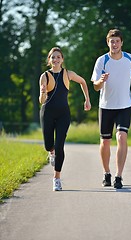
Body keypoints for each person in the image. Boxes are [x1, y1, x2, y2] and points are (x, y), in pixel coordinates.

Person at [91, 29, 131, 189]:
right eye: (112, 41)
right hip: (106, 106)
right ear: (108, 43)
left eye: (117, 41)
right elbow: (96, 87)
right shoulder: (102, 61)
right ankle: (107, 173)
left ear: (121, 42)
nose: (114, 44)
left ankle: (118, 176)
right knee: (105, 142)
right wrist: (101, 80)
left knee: (121, 137)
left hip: (124, 105)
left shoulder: (130, 58)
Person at [39, 47, 91, 191]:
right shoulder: (45, 76)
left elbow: (83, 82)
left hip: (63, 114)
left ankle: (56, 178)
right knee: (48, 144)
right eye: (52, 57)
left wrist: (87, 99)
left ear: (62, 59)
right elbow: (41, 100)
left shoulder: (68, 74)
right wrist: (43, 93)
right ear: (49, 60)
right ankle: (51, 151)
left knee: (60, 144)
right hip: (47, 113)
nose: (55, 60)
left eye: (58, 57)